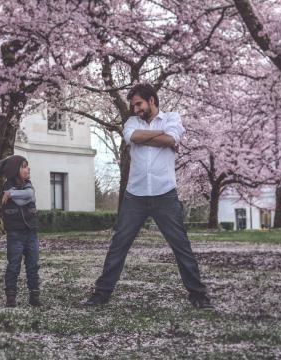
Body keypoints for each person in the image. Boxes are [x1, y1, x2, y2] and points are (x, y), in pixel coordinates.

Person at [85, 84, 212, 309]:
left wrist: (150, 138)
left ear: (151, 100)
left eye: (139, 104)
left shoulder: (172, 117)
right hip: (136, 195)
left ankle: (198, 295)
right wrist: (160, 135)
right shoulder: (132, 122)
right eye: (133, 105)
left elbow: (171, 140)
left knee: (181, 245)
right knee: (119, 245)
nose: (135, 109)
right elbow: (134, 136)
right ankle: (101, 294)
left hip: (165, 194)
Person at [0, 155, 41, 308]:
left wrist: (11, 194)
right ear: (16, 170)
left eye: (28, 166)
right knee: (14, 265)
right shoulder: (8, 185)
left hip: (31, 232)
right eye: (24, 166)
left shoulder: (27, 184)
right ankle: (11, 297)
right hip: (15, 234)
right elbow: (22, 200)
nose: (28, 169)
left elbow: (29, 195)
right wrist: (13, 193)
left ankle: (34, 296)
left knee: (33, 265)